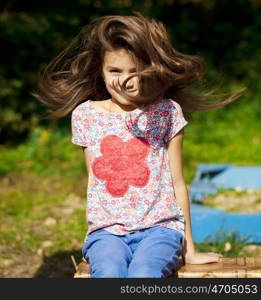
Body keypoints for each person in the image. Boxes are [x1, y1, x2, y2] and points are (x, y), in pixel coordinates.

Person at [33, 12, 245, 278]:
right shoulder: (86, 116)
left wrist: (189, 249)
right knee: (109, 272)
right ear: (101, 69)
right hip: (107, 233)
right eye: (115, 71)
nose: (125, 81)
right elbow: (96, 181)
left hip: (161, 230)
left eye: (135, 72)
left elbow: (178, 182)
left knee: (145, 274)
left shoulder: (166, 112)